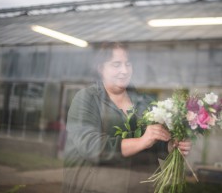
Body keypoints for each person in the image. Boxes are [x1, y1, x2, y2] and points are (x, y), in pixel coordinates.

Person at [62, 42, 192, 193]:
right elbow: (90, 146)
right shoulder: (87, 98)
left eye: (128, 64)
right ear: (101, 68)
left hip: (139, 187)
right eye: (116, 64)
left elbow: (153, 144)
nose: (124, 70)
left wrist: (170, 145)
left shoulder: (144, 102)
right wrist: (141, 141)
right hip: (94, 187)